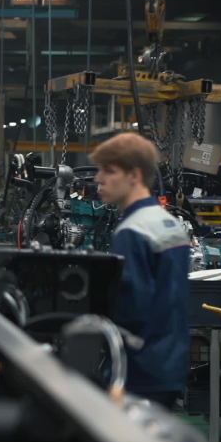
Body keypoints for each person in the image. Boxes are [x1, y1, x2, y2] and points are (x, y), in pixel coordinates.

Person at [90, 132, 190, 408]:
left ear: (134, 175)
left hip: (138, 369)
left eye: (109, 171)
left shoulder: (133, 231)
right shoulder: (169, 224)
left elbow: (130, 307)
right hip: (169, 363)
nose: (99, 178)